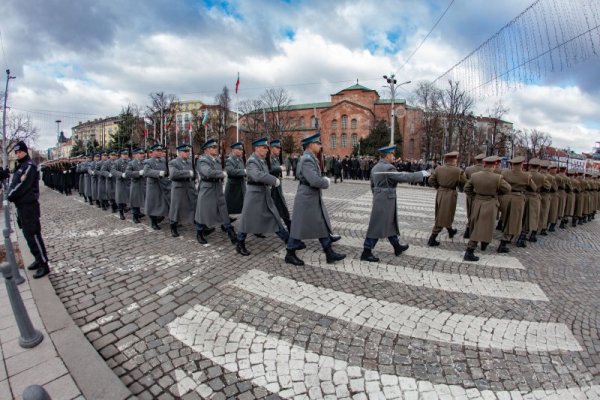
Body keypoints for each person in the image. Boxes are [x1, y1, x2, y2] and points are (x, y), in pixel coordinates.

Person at [285, 133, 345, 266]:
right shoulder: (307, 159)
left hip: (310, 196)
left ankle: (329, 253)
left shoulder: (311, 157)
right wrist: (326, 181)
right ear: (311, 145)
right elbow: (313, 180)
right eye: (318, 143)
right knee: (299, 226)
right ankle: (290, 253)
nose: (320, 145)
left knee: (320, 223)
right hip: (306, 197)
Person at [360, 145, 424, 262]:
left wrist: (377, 195)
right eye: (392, 154)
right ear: (388, 155)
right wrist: (420, 174)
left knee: (389, 223)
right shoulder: (388, 168)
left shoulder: (375, 167)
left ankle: (397, 246)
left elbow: (372, 185)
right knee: (377, 225)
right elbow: (403, 177)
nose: (393, 156)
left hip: (380, 197)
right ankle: (366, 251)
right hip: (386, 199)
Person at [236, 138, 289, 256]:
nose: (266, 150)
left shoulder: (262, 160)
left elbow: (265, 173)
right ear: (257, 148)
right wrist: (273, 180)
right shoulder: (252, 161)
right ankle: (240, 243)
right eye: (264, 148)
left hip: (264, 193)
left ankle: (288, 240)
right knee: (247, 220)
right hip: (254, 194)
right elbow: (258, 175)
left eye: (267, 148)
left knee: (274, 216)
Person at [7, 141, 50, 279]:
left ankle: (44, 264)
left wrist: (10, 195)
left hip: (29, 206)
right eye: (16, 152)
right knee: (27, 235)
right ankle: (38, 259)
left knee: (34, 235)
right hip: (22, 207)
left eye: (19, 152)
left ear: (25, 151)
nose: (17, 154)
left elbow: (21, 186)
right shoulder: (20, 166)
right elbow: (14, 183)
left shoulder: (29, 167)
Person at [462, 156, 511, 261]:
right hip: (490, 203)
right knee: (486, 226)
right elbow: (507, 189)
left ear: (484, 165)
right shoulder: (497, 177)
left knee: (476, 225)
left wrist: (474, 197)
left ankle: (482, 244)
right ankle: (470, 250)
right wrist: (497, 193)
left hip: (477, 202)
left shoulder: (475, 176)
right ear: (494, 165)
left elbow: (466, 188)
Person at [195, 139, 237, 244]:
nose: (215, 149)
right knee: (204, 213)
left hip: (217, 188)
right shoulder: (202, 160)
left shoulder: (217, 160)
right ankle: (199, 233)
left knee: (223, 211)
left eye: (215, 147)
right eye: (213, 147)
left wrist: (221, 178)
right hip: (207, 188)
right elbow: (207, 172)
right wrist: (222, 174)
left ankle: (231, 232)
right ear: (206, 150)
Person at [427, 151, 467, 246]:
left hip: (440, 193)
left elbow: (430, 180)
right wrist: (460, 188)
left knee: (443, 213)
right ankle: (432, 238)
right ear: (454, 160)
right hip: (450, 194)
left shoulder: (438, 168)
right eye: (456, 159)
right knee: (443, 215)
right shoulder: (458, 171)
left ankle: (450, 231)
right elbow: (465, 183)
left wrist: (439, 187)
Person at [498, 156, 536, 252]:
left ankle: (506, 236)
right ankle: (504, 243)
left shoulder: (505, 173)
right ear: (522, 164)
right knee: (513, 221)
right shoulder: (526, 176)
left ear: (512, 164)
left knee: (505, 218)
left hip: (505, 197)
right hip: (518, 199)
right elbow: (534, 188)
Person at [168, 144, 197, 237]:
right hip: (179, 188)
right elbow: (173, 174)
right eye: (185, 151)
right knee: (176, 208)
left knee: (193, 205)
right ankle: (173, 226)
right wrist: (188, 173)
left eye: (188, 151)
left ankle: (198, 224)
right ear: (180, 152)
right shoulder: (173, 162)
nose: (188, 153)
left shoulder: (189, 162)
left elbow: (194, 173)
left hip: (189, 187)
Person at [143, 144, 171, 230]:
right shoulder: (149, 161)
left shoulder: (163, 160)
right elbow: (146, 172)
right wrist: (159, 173)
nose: (160, 152)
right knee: (153, 204)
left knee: (164, 202)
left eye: (161, 151)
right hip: (154, 185)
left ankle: (162, 217)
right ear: (153, 152)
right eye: (158, 151)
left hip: (163, 184)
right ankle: (153, 222)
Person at [269, 139, 292, 232]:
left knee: (282, 206)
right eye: (277, 148)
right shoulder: (269, 158)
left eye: (279, 148)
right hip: (271, 188)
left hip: (278, 187)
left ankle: (289, 225)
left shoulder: (276, 158)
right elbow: (269, 168)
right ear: (271, 148)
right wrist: (280, 168)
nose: (279, 149)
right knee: (267, 208)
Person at [463, 153, 485, 239]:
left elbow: (465, 181)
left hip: (470, 194)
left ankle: (468, 229)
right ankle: (477, 231)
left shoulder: (468, 169)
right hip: (482, 196)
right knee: (480, 214)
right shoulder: (486, 170)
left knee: (470, 212)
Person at [225, 142, 246, 220]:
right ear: (234, 150)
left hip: (241, 185)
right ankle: (225, 222)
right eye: (240, 149)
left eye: (242, 149)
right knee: (228, 205)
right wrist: (244, 172)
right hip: (233, 187)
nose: (242, 151)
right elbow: (230, 171)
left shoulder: (240, 159)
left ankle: (248, 222)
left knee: (246, 205)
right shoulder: (229, 160)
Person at [126, 148, 146, 223]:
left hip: (143, 183)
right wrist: (138, 173)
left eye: (142, 153)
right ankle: (135, 216)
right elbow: (128, 173)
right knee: (135, 200)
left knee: (141, 199)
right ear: (135, 155)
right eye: (140, 154)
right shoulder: (131, 163)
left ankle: (138, 212)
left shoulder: (144, 162)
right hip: (136, 184)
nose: (142, 155)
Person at [111, 149, 131, 220]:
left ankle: (125, 208)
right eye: (124, 155)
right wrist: (121, 174)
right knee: (120, 198)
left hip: (128, 182)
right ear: (121, 155)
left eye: (127, 155)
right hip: (121, 182)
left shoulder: (129, 161)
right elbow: (113, 171)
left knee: (127, 197)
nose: (126, 156)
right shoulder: (117, 162)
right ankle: (121, 213)